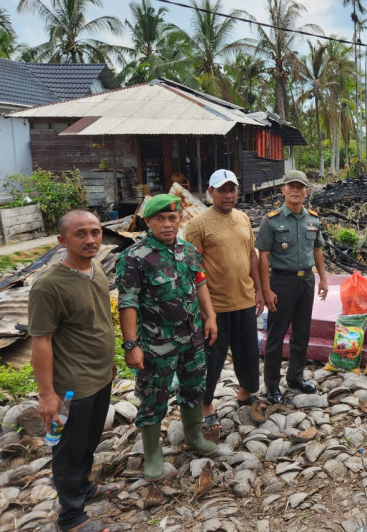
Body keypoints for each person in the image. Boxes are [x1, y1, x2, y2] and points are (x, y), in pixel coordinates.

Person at [116, 194, 218, 493]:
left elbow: (200, 283)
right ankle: (152, 453)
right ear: (147, 221)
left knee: (193, 386)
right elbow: (128, 301)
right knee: (153, 396)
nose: (167, 223)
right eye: (159, 218)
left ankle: (194, 435)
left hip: (191, 338)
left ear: (179, 220)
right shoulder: (135, 257)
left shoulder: (188, 251)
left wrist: (210, 317)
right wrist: (131, 343)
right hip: (155, 343)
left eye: (172, 218)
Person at [29, 210, 118, 532]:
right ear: (62, 241)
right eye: (80, 234)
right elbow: (40, 342)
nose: (91, 239)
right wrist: (47, 395)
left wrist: (109, 362)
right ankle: (70, 517)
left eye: (95, 232)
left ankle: (84, 488)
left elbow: (98, 322)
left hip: (99, 377)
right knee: (68, 450)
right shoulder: (48, 286)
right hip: (71, 388)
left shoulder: (95, 269)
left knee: (89, 440)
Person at [185, 169, 265, 437]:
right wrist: (205, 311)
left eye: (232, 189)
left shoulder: (242, 218)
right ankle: (206, 405)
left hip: (243, 299)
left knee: (248, 352)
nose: (228, 195)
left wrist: (259, 290)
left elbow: (251, 257)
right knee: (211, 358)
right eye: (222, 190)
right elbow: (193, 270)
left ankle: (245, 393)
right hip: (215, 307)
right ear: (210, 192)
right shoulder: (198, 225)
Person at [255, 170, 328, 404]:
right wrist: (266, 289)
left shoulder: (313, 219)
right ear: (283, 190)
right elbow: (263, 256)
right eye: (291, 186)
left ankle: (296, 377)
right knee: (276, 335)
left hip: (306, 281)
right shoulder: (272, 220)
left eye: (300, 187)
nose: (295, 191)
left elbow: (317, 251)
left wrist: (323, 280)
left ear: (307, 192)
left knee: (301, 332)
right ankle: (273, 385)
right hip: (281, 282)